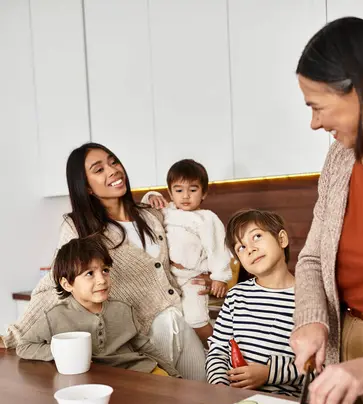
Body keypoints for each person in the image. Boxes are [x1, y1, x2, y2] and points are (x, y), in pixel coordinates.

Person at [2, 143, 207, 380]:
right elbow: (54, 283)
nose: (113, 171)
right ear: (87, 187)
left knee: (203, 393)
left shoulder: (150, 215)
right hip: (140, 336)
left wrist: (208, 273)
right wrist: (15, 335)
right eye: (99, 170)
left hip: (179, 319)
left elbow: (191, 236)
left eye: (113, 162)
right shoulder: (80, 227)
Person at [290, 16, 363, 404]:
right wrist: (313, 321)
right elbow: (313, 259)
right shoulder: (339, 159)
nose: (315, 123)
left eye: (317, 106)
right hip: (345, 343)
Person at [17, 237, 180, 377]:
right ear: (67, 284)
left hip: (140, 371)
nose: (102, 280)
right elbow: (24, 346)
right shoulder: (54, 316)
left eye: (105, 270)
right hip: (98, 379)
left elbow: (144, 346)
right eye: (90, 273)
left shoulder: (123, 309)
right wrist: (62, 352)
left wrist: (173, 374)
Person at [206, 209, 305, 396]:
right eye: (240, 248)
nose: (250, 249)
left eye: (257, 236)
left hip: (287, 401)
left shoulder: (310, 298)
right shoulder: (236, 295)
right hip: (234, 397)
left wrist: (269, 374)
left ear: (282, 239)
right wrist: (219, 386)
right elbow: (217, 349)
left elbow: (321, 364)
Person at [142, 159, 232, 345]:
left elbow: (217, 248)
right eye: (179, 190)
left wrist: (220, 277)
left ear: (204, 193)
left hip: (193, 278)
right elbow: (145, 209)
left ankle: (221, 351)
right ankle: (198, 354)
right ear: (170, 193)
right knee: (174, 319)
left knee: (196, 320)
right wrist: (151, 196)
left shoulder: (206, 218)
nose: (185, 196)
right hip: (167, 277)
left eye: (193, 190)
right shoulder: (168, 211)